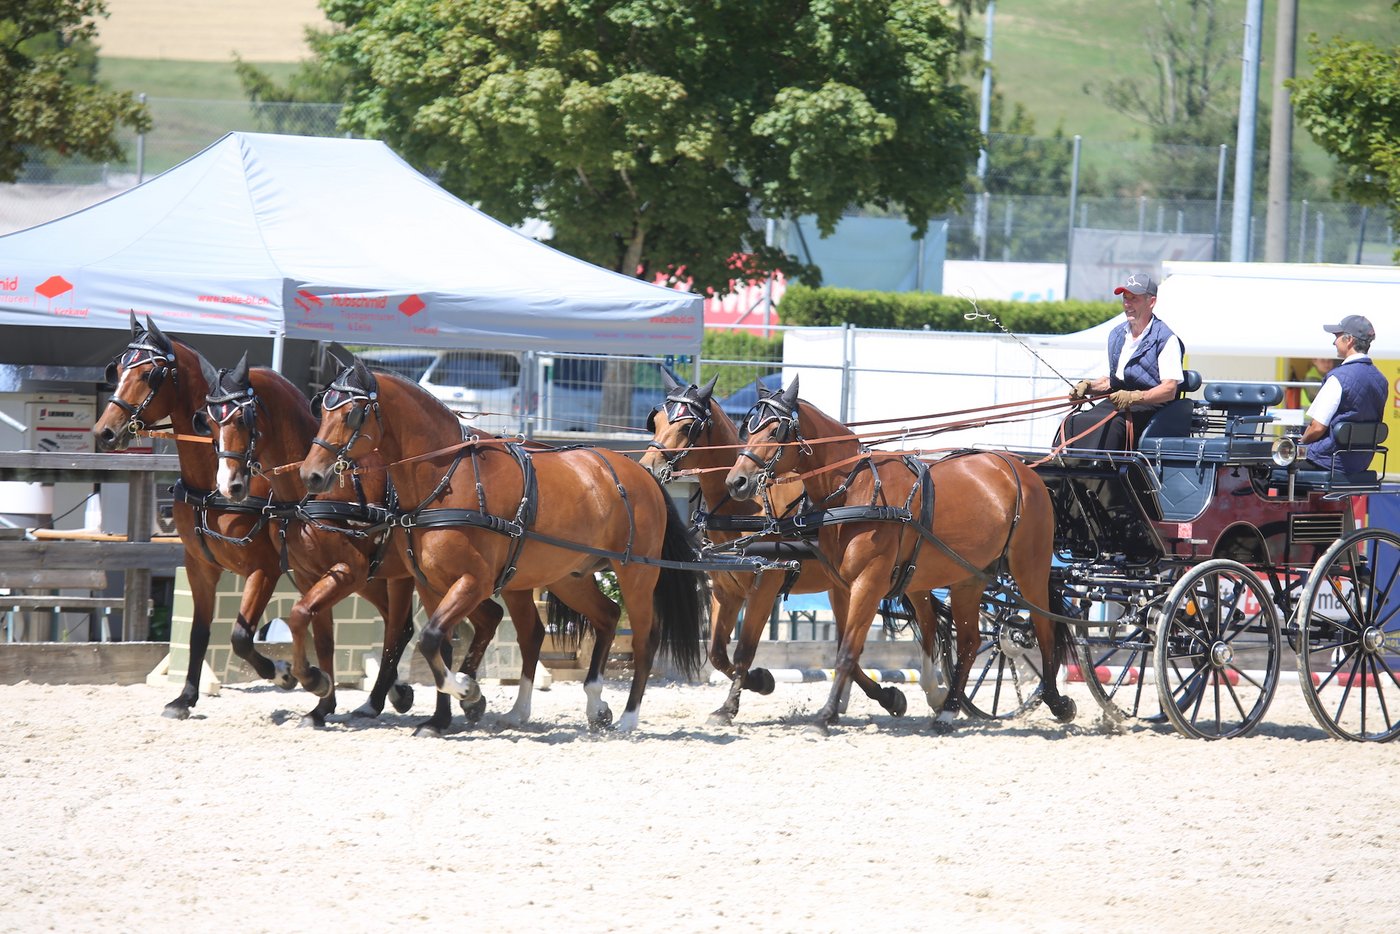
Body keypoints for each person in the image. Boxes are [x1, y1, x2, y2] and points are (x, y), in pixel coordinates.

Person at [1061, 272, 1185, 451]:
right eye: (1125, 299)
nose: (1127, 304)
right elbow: (1109, 380)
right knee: (1074, 421)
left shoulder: (1166, 339)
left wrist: (1135, 397)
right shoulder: (1117, 334)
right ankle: (1064, 470)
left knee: (1112, 425)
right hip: (1119, 400)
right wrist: (1087, 387)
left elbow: (1169, 389)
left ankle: (1101, 473)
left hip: (1150, 407)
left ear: (1151, 302)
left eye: (1134, 299)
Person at [1299, 315, 1388, 474]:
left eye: (1337, 337)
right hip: (1361, 462)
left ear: (1349, 340)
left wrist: (1300, 443)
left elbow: (1316, 427)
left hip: (1328, 459)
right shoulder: (1381, 379)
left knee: (1272, 466)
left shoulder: (1338, 378)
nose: (1334, 342)